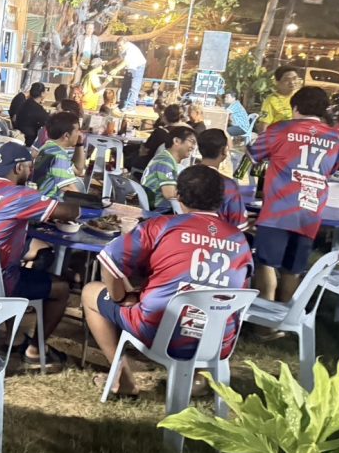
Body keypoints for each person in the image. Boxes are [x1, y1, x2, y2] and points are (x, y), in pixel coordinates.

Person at [83, 165, 253, 397]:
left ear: (178, 196)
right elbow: (241, 291)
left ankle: (123, 381)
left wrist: (120, 297)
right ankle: (197, 377)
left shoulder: (161, 226)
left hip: (162, 334)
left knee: (90, 292)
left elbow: (108, 261)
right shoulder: (240, 240)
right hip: (218, 342)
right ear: (221, 198)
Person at [0, 142, 79, 367]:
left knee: (29, 262)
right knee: (61, 288)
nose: (31, 171)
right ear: (18, 168)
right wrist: (76, 200)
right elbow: (69, 212)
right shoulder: (18, 195)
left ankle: (14, 337)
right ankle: (35, 350)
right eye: (29, 166)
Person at [247, 86, 339, 302]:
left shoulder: (280, 129)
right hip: (310, 213)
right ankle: (284, 315)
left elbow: (254, 155)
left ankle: (265, 318)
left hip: (278, 210)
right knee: (293, 269)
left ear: (296, 107)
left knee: (266, 264)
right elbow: (331, 170)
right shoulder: (335, 138)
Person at [196, 128, 249, 231]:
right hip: (218, 236)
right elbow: (239, 225)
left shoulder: (185, 177)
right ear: (224, 151)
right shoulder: (228, 185)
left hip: (185, 235)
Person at [141, 125, 196, 211]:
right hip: (159, 211)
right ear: (176, 141)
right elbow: (170, 195)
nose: (193, 147)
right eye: (191, 141)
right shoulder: (165, 162)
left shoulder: (166, 158)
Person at [34, 111, 86, 200]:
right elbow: (70, 189)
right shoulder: (59, 156)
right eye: (77, 130)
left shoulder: (47, 148)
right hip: (51, 203)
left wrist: (79, 144)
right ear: (66, 135)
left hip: (40, 199)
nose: (80, 134)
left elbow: (78, 170)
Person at [136, 103, 185, 169]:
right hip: (175, 166)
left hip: (151, 165)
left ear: (165, 117)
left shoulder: (159, 132)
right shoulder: (184, 133)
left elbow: (146, 150)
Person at [256, 65, 301, 133]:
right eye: (286, 80)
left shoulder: (301, 96)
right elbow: (263, 127)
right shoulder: (271, 100)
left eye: (294, 78)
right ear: (277, 82)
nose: (292, 82)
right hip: (280, 136)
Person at [108, 37, 146, 110]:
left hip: (138, 66)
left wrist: (116, 69)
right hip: (130, 66)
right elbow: (119, 57)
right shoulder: (121, 48)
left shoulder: (131, 49)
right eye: (118, 45)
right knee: (125, 85)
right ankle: (122, 104)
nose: (119, 47)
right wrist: (108, 62)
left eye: (120, 45)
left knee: (134, 86)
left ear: (126, 43)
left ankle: (130, 106)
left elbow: (126, 61)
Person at [11, 82, 49, 148]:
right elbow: (47, 121)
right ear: (42, 94)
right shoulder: (37, 109)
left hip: (19, 136)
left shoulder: (25, 103)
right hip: (29, 141)